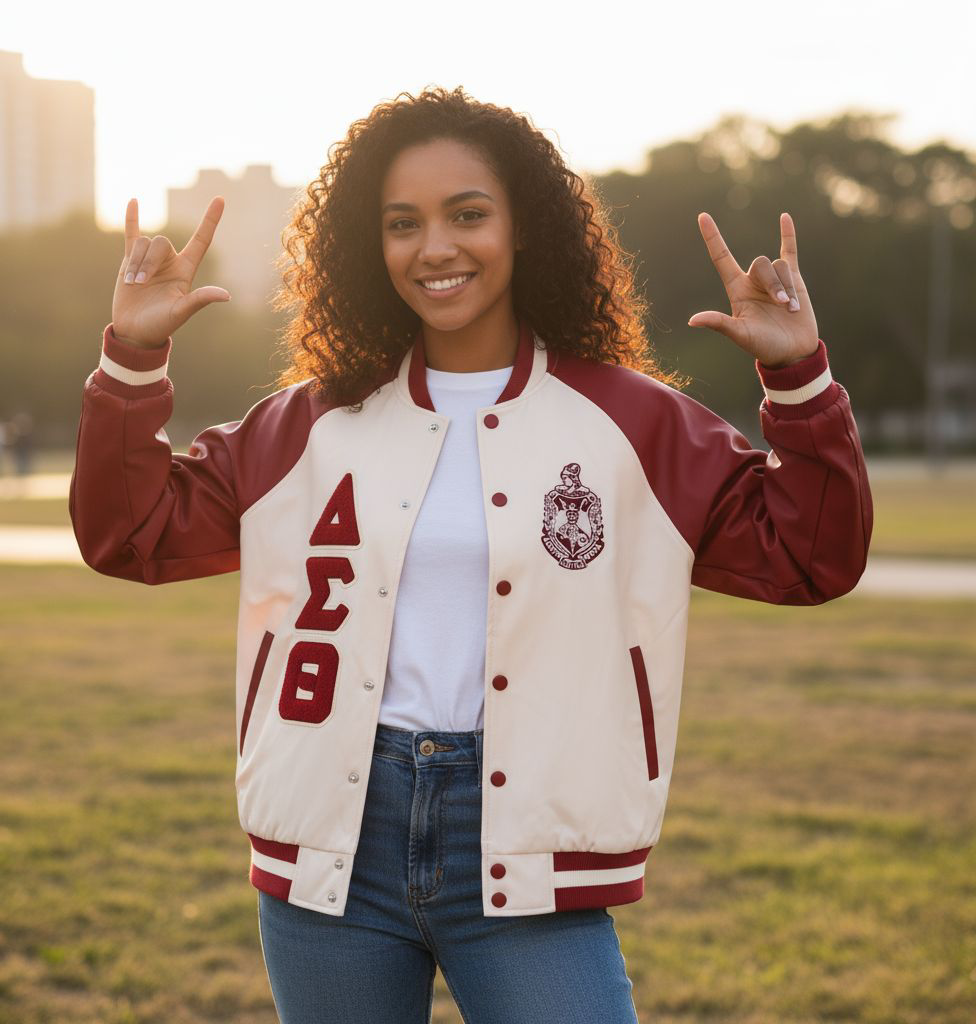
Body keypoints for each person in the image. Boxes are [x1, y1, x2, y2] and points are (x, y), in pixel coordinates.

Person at [70, 86, 873, 1024]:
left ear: (523, 225)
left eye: (468, 215)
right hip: (337, 850)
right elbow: (130, 532)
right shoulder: (309, 422)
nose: (435, 247)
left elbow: (810, 556)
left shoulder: (634, 422)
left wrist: (799, 375)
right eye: (402, 223)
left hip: (531, 844)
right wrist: (131, 355)